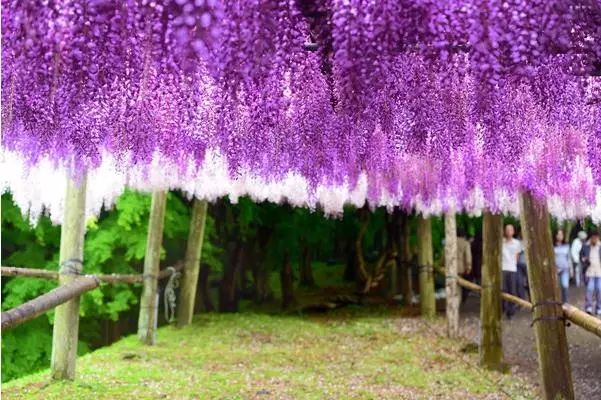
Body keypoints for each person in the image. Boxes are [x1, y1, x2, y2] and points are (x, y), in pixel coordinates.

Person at [502, 223, 522, 319]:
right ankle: (503, 308)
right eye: (507, 229)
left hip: (512, 268)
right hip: (503, 268)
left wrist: (513, 263)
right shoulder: (501, 242)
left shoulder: (517, 243)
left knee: (512, 290)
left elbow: (517, 256)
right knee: (503, 289)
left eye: (510, 230)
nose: (508, 231)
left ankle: (511, 311)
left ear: (513, 231)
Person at [580, 230, 601, 316]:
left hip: (599, 272)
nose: (595, 239)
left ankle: (599, 307)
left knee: (599, 289)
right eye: (593, 238)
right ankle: (588, 307)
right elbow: (581, 256)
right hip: (589, 272)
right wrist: (584, 260)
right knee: (589, 289)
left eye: (596, 238)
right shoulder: (585, 246)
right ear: (591, 238)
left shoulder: (600, 246)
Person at [553, 229, 571, 303]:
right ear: (555, 236)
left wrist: (571, 270)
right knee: (556, 287)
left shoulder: (566, 246)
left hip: (565, 269)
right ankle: (556, 303)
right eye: (558, 234)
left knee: (565, 286)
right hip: (555, 269)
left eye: (561, 234)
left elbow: (569, 258)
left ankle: (565, 303)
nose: (560, 236)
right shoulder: (552, 246)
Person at [456, 228, 473, 303]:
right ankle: (458, 302)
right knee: (458, 286)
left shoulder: (450, 241)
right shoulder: (465, 243)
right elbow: (468, 256)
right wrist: (468, 267)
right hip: (460, 268)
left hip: (449, 267)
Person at [516, 229, 528, 300]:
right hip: (518, 265)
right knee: (519, 282)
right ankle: (521, 299)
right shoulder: (516, 241)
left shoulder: (529, 240)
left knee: (530, 283)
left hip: (528, 265)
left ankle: (532, 300)